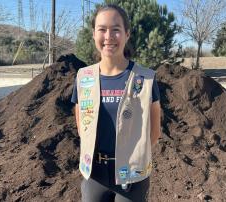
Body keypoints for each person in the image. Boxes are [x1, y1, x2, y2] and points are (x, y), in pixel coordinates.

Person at [71, 4, 161, 202]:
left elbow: (154, 132)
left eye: (116, 30)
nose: (108, 36)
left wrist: (131, 156)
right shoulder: (83, 78)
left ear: (127, 34)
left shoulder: (145, 79)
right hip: (95, 175)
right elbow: (82, 126)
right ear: (94, 34)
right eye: (102, 29)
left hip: (132, 176)